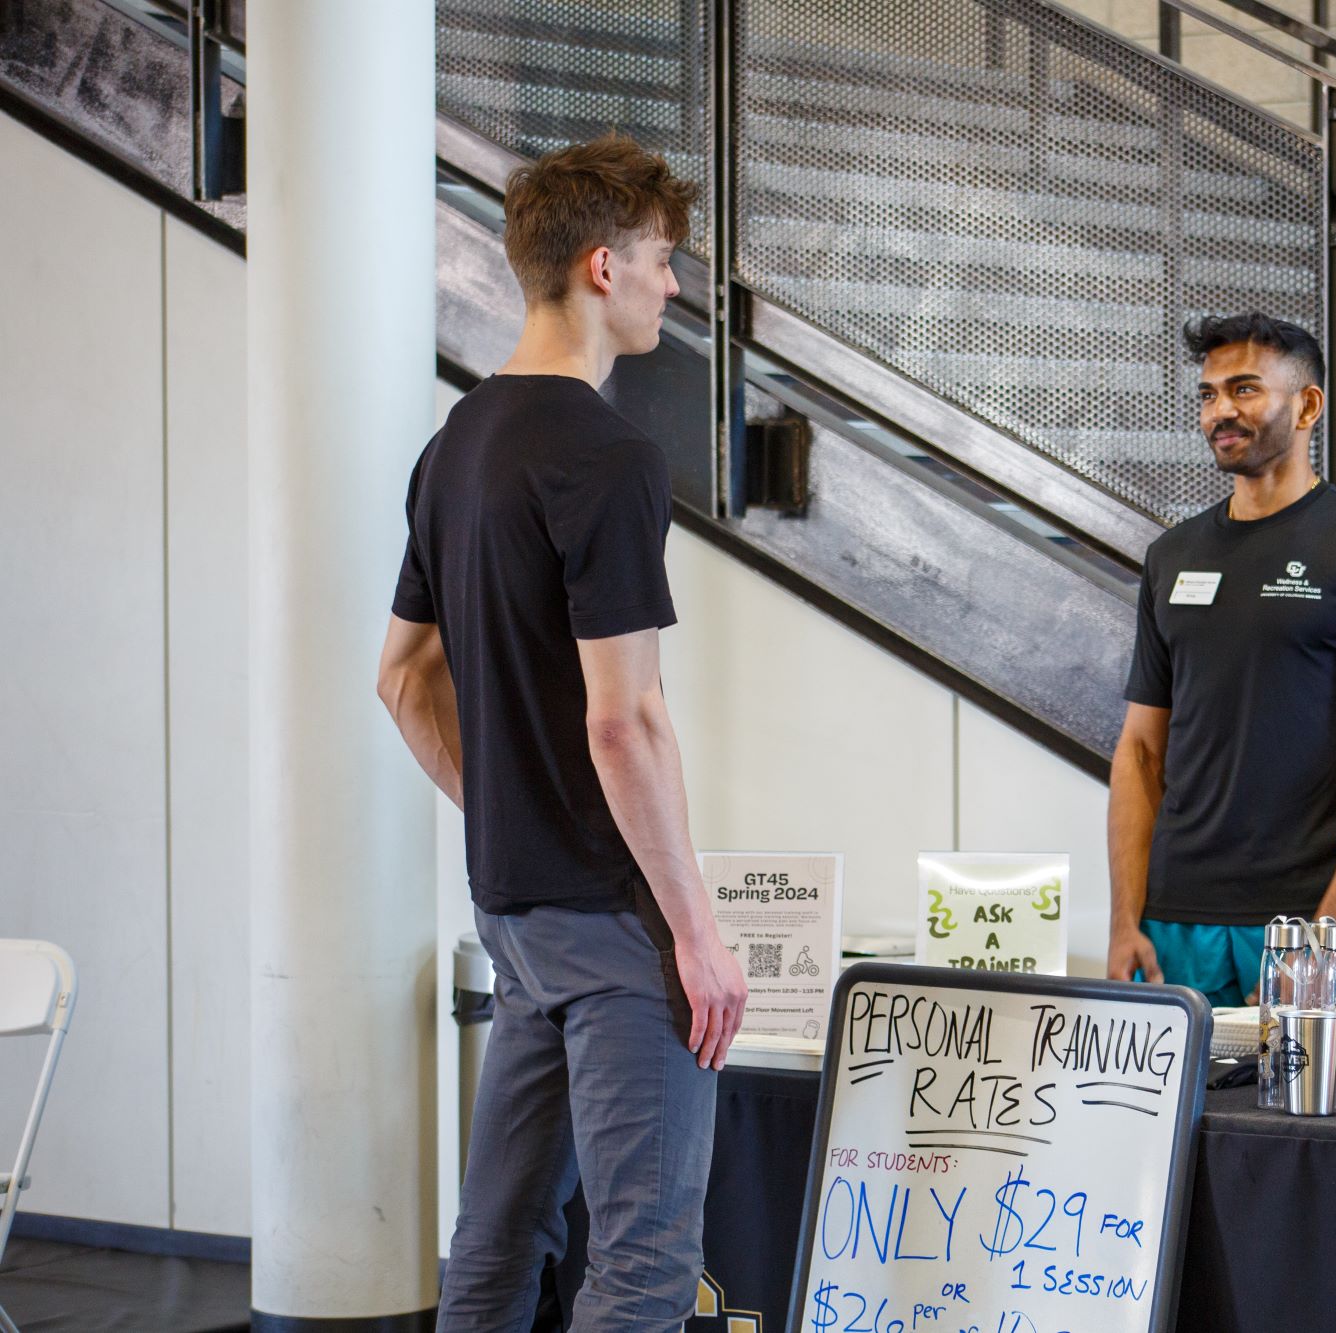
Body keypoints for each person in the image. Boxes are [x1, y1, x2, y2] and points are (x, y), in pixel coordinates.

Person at [376, 133, 746, 1331]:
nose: (672, 287)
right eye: (662, 261)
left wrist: (503, 812)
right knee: (640, 1263)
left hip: (513, 912)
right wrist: (696, 932)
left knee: (494, 1247)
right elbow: (625, 720)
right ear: (602, 266)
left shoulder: (453, 448)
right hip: (609, 920)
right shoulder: (607, 455)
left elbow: (400, 679)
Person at [1105, 313, 1336, 1043]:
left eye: (1245, 389)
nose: (1220, 410)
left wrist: (1325, 937)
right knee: (1165, 1150)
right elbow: (1139, 754)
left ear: (1308, 405)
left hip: (1315, 920)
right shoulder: (1170, 556)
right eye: (1209, 394)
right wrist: (1125, 918)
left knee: (1333, 1150)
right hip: (1174, 925)